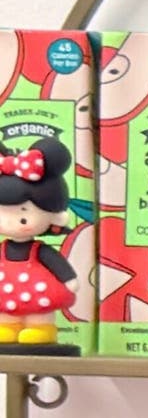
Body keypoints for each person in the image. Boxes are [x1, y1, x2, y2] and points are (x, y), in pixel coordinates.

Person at [0, 137, 77, 352]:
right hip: (6, 289)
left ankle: (42, 329)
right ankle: (7, 326)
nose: (12, 221)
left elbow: (56, 263)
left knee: (38, 313)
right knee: (4, 310)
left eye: (23, 213)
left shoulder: (40, 250)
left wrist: (68, 279)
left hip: (37, 289)